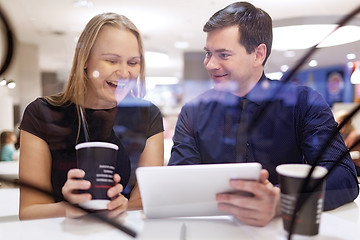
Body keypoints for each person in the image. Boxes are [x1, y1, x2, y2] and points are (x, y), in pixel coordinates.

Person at [169, 2, 359, 227]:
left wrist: (282, 201)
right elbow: (177, 184)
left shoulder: (303, 103)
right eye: (208, 53)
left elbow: (344, 177)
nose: (210, 64)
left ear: (258, 54)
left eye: (223, 54)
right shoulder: (193, 111)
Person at [19, 12, 164, 220]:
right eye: (112, 61)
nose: (124, 73)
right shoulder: (42, 113)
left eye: (133, 63)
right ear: (85, 60)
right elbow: (28, 212)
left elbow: (145, 202)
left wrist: (124, 205)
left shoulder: (147, 116)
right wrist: (68, 207)